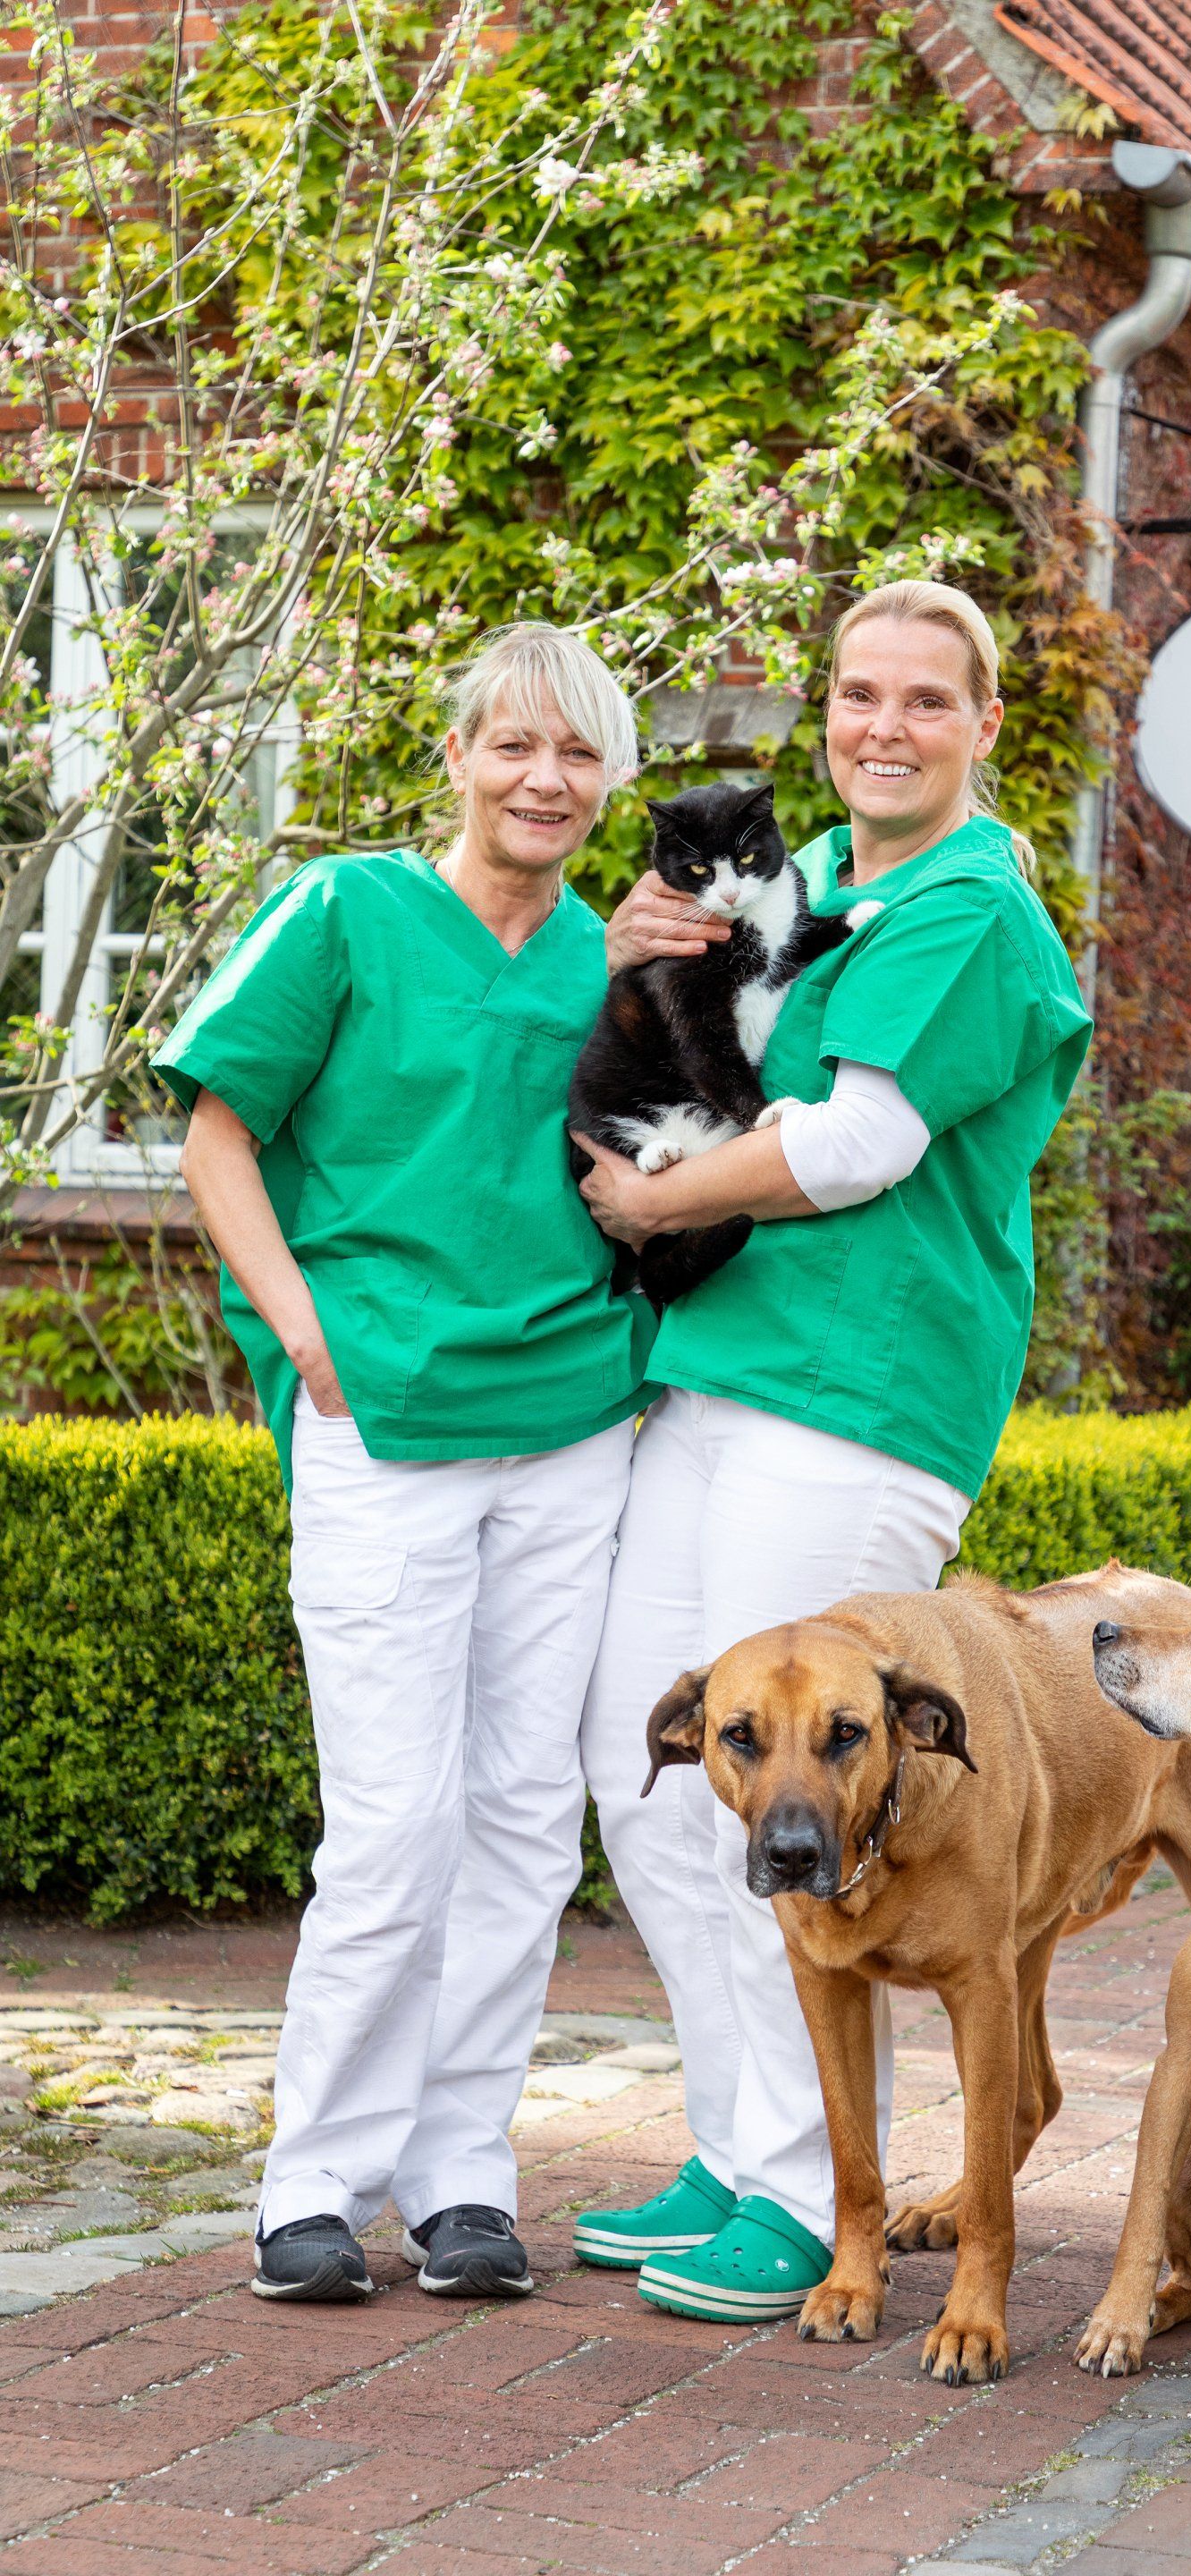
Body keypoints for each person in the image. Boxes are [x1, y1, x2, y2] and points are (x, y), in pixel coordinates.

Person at [572, 580, 1092, 2323]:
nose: (886, 725)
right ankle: (739, 2143)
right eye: (860, 693)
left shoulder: (969, 909)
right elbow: (698, 1040)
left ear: (985, 724)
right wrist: (641, 952)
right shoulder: (826, 894)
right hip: (725, 1368)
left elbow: (859, 1143)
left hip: (858, 1400)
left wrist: (652, 1203)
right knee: (650, 1769)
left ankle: (808, 2195)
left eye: (927, 700)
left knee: (806, 1793)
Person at [156, 624, 663, 2304]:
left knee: (522, 1816)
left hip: (573, 1427)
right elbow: (218, 1132)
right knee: (392, 1824)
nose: (545, 780)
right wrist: (306, 1334)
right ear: (457, 756)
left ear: (611, 780)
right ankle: (313, 2181)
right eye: (515, 744)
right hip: (384, 1419)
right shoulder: (344, 913)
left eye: (578, 753)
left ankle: (463, 2179)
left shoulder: (611, 960)